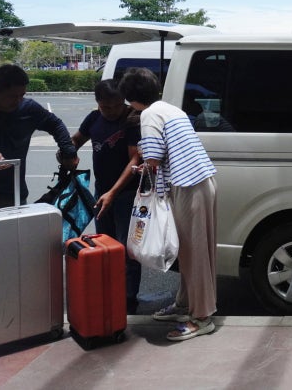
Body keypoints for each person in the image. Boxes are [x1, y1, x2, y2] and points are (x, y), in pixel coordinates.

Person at [0, 64, 78, 328]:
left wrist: (67, 149)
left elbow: (55, 123)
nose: (18, 101)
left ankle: (4, 303)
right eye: (12, 97)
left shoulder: (27, 109)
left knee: (8, 251)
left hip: (12, 193)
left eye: (22, 95)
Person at [118, 67, 218, 342]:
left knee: (194, 254)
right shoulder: (171, 109)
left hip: (187, 186)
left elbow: (151, 158)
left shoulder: (149, 115)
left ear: (129, 98)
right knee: (192, 251)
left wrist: (144, 171)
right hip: (200, 181)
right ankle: (186, 305)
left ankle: (201, 317)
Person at [71, 79, 142, 314]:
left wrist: (113, 192)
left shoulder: (132, 120)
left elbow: (135, 159)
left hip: (126, 195)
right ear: (97, 103)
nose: (110, 112)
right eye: (105, 107)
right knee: (104, 245)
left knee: (126, 249)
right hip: (101, 193)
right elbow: (76, 140)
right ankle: (110, 293)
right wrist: (67, 151)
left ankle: (129, 300)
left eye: (115, 106)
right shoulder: (93, 118)